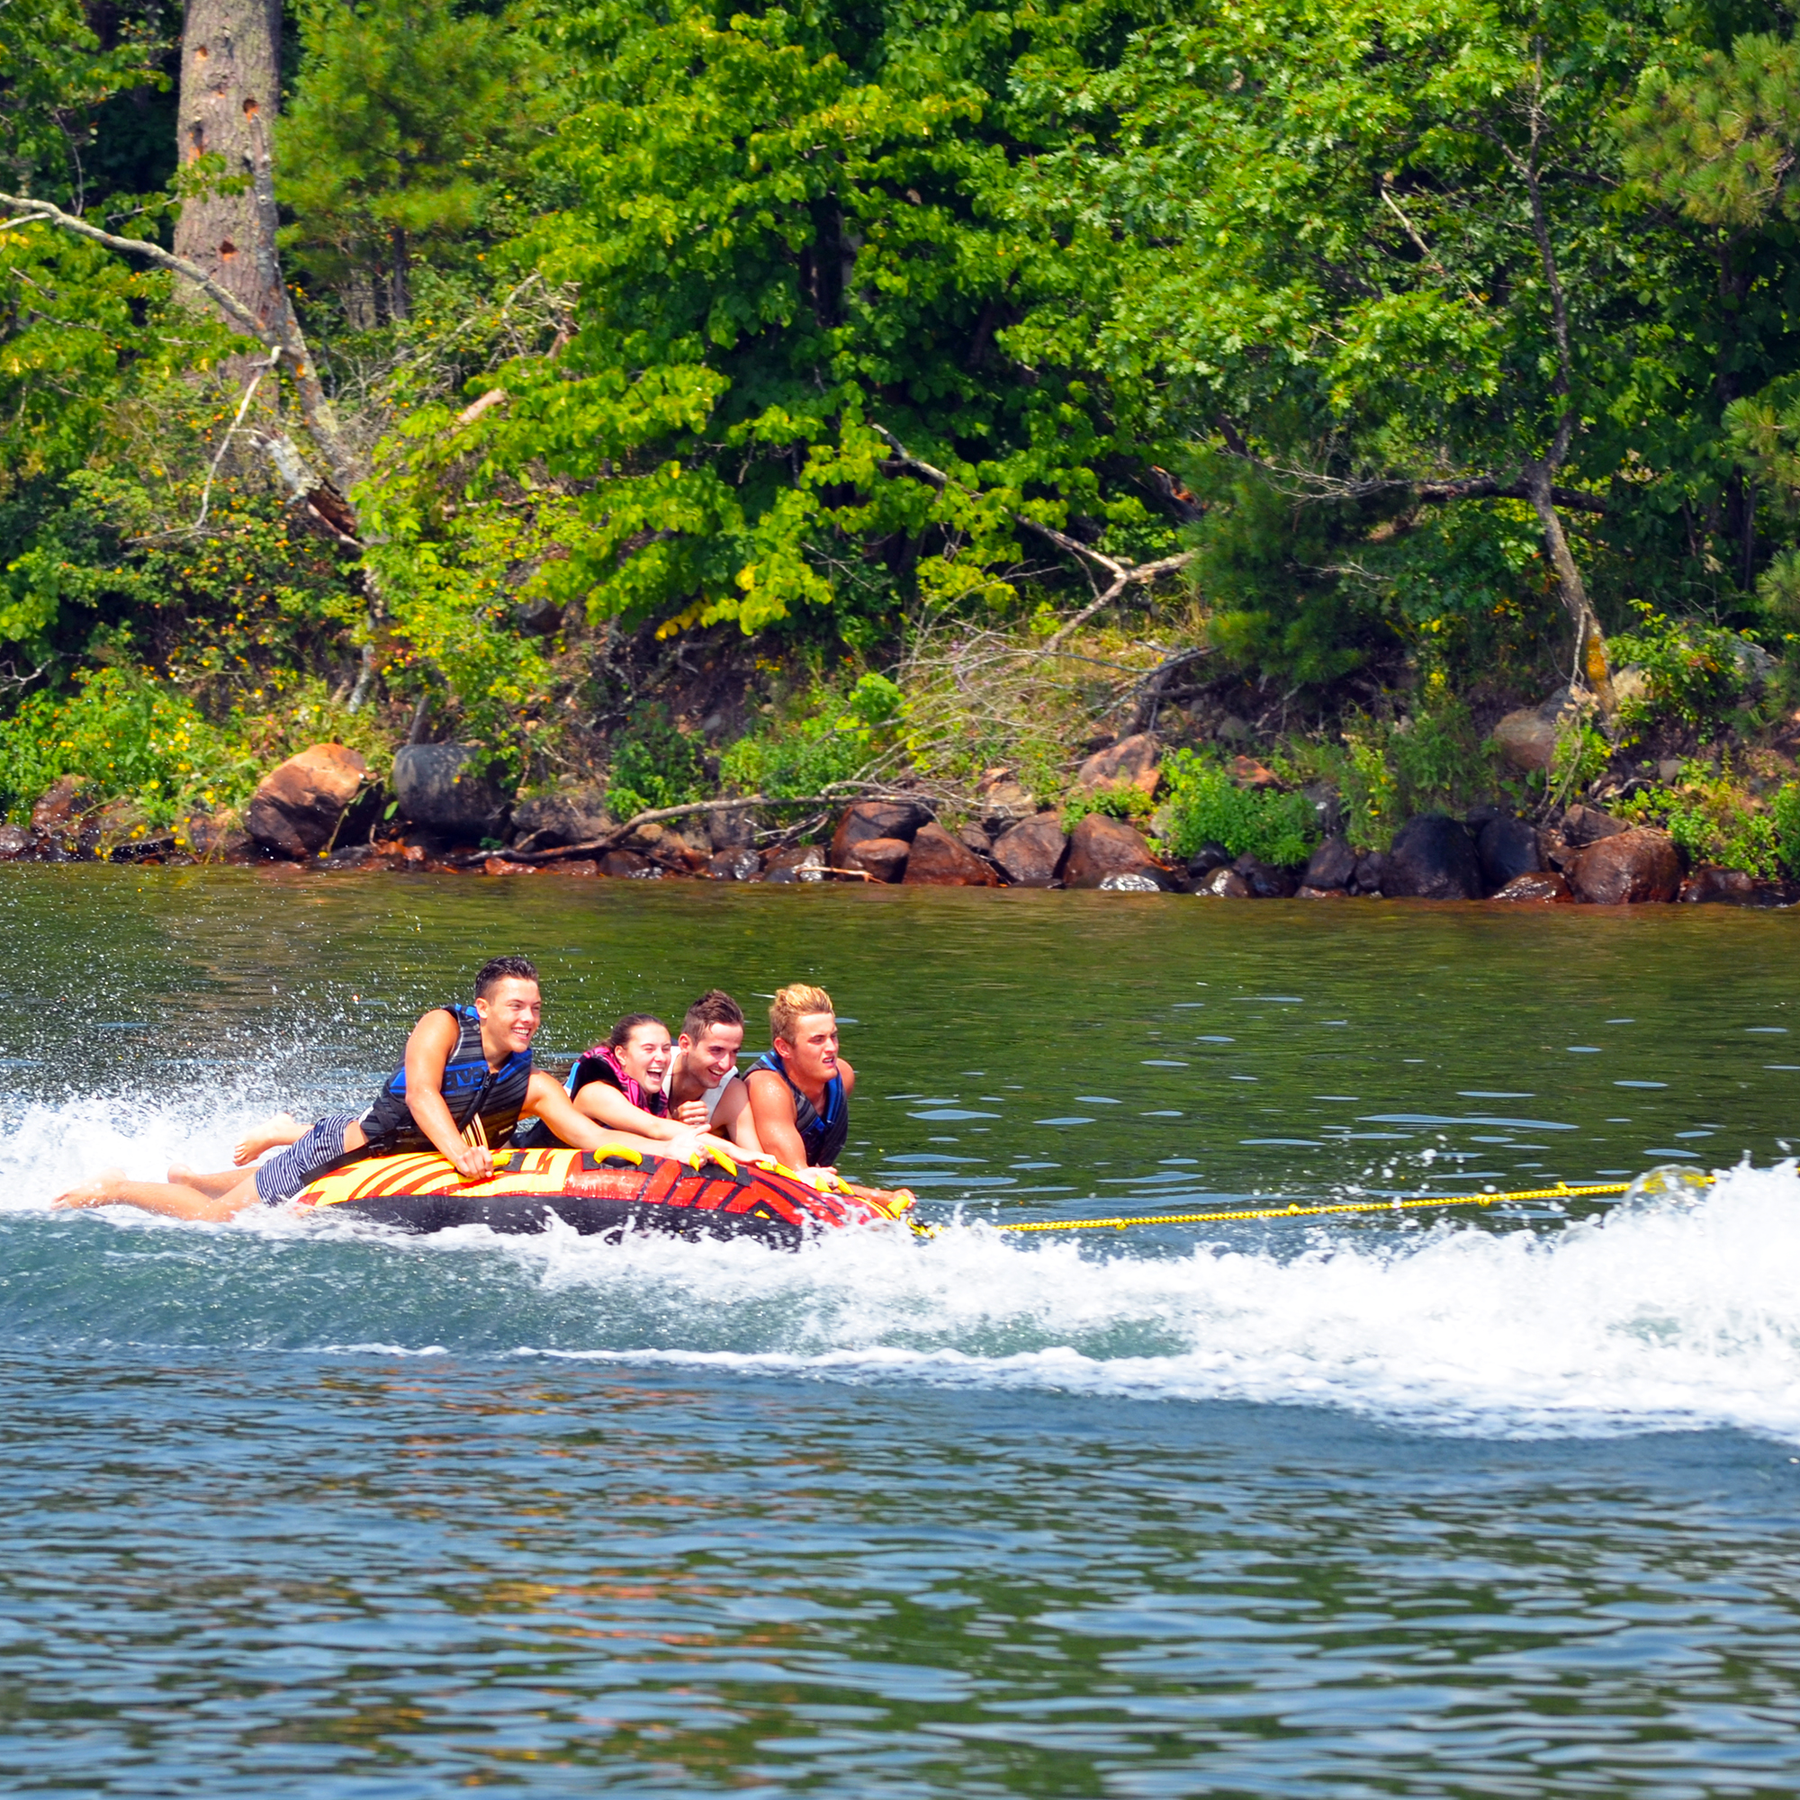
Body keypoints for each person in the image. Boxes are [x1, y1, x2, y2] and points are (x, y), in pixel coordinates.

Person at [52, 957, 691, 1221]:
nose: (529, 1018)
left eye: (536, 1008)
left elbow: (593, 1133)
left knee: (233, 1189)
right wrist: (460, 1153)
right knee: (227, 1219)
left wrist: (684, 1149)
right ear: (484, 1008)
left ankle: (189, 1177)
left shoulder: (534, 1080)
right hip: (345, 1150)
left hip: (401, 1166)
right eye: (517, 1007)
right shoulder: (441, 1026)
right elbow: (421, 1098)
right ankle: (114, 1188)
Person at [745, 983, 854, 1175]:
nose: (831, 1048)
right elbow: (799, 1177)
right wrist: (878, 1197)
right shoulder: (768, 1088)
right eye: (817, 1040)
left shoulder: (843, 1076)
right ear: (784, 1048)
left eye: (833, 1036)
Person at [661, 990, 762, 1153]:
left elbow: (757, 1159)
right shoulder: (652, 1070)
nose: (726, 1064)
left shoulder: (732, 1094)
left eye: (734, 1052)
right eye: (716, 1050)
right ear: (685, 1045)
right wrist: (673, 1121)